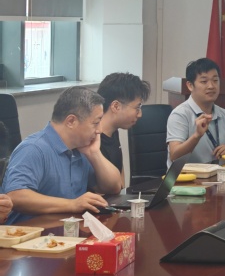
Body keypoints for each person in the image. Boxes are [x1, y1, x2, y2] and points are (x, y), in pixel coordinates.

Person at [0, 87, 125, 224]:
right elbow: (16, 196)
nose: (99, 130)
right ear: (71, 121)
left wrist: (94, 153)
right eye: (96, 123)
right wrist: (72, 204)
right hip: (32, 232)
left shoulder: (80, 149)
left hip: (66, 231)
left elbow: (114, 187)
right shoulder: (33, 149)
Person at [166, 58, 225, 166]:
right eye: (204, 81)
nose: (211, 86)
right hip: (185, 175)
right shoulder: (180, 115)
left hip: (217, 174)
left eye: (215, 80)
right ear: (190, 85)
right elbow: (174, 155)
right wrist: (196, 136)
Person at [97, 72, 151, 178]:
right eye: (137, 107)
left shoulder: (113, 131)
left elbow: (120, 174)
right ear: (116, 106)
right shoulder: (93, 141)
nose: (140, 114)